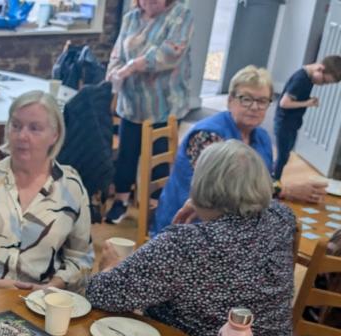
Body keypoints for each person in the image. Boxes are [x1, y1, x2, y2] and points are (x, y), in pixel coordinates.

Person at [89, 141, 295, 336]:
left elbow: (101, 294)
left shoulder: (186, 244)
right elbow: (273, 205)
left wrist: (110, 266)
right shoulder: (281, 220)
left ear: (201, 186)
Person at [0, 90, 94, 291]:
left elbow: (81, 259)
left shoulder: (71, 188)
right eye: (16, 125)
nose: (22, 136)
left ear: (55, 134)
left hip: (43, 301)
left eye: (35, 128)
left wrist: (49, 288)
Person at [154, 65, 327, 234]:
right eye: (246, 99)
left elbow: (263, 182)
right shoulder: (208, 135)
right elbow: (222, 196)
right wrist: (285, 191)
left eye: (262, 101)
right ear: (230, 100)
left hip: (234, 227)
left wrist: (276, 190)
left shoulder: (262, 137)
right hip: (189, 228)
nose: (254, 107)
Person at [104, 0, 194, 224]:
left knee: (158, 162)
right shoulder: (131, 18)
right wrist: (114, 72)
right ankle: (121, 201)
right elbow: (117, 54)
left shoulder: (181, 15)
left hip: (165, 105)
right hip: (132, 104)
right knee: (127, 155)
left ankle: (156, 210)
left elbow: (170, 53)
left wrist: (131, 66)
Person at [274, 55, 341, 181]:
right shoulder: (301, 79)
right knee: (282, 157)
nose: (323, 85)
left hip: (292, 123)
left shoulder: (309, 78)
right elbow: (284, 103)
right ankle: (273, 183)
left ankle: (270, 177)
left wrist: (307, 100)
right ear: (320, 69)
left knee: (285, 156)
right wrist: (307, 103)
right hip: (284, 122)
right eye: (324, 81)